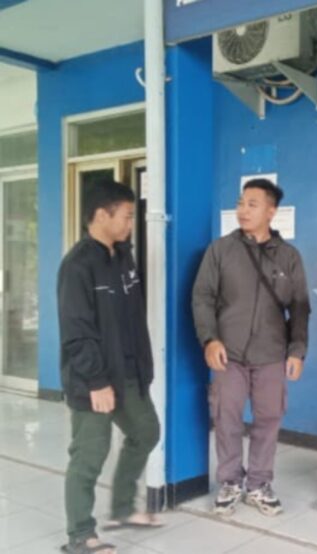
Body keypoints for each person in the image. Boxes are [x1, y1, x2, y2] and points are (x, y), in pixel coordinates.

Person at [192, 178, 310, 517]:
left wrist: (297, 350)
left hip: (272, 353)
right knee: (226, 416)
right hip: (228, 352)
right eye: (240, 203)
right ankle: (230, 481)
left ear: (271, 211)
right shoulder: (220, 250)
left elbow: (300, 307)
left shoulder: (288, 256)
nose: (242, 210)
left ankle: (258, 484)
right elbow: (202, 297)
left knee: (268, 418)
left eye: (252, 204)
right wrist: (209, 339)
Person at [58, 180, 161, 554]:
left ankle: (122, 508)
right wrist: (97, 381)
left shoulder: (123, 258)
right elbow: (76, 332)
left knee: (146, 432)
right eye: (127, 216)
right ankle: (80, 535)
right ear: (102, 215)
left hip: (129, 373)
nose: (131, 223)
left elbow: (132, 320)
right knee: (89, 456)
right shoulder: (77, 266)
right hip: (94, 380)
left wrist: (143, 367)